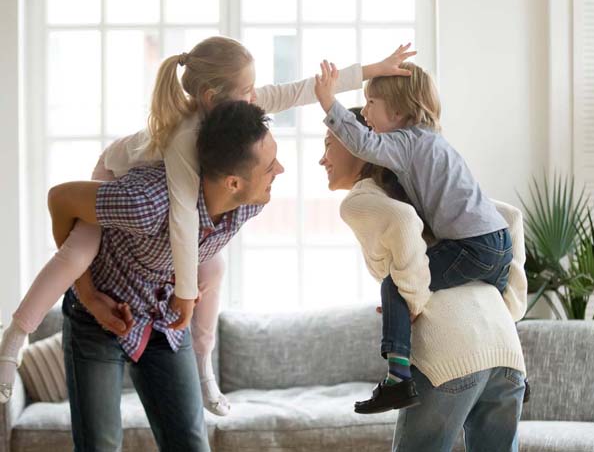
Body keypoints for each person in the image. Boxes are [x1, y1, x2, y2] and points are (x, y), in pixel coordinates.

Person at [0, 36, 415, 415]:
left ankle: (203, 368)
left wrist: (370, 70)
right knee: (79, 253)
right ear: (212, 96)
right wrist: (184, 294)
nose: (256, 96)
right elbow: (182, 217)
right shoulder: (185, 139)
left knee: (214, 267)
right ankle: (15, 339)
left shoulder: (234, 110)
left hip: (163, 207)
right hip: (112, 172)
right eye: (247, 89)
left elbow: (299, 89)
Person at [49, 100, 276, 451]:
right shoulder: (145, 203)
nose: (281, 170)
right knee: (100, 445)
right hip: (98, 317)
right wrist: (91, 297)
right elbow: (60, 200)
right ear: (233, 182)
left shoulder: (251, 203)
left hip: (164, 321)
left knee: (189, 443)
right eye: (270, 167)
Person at [319, 107, 528, 450]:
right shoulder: (422, 192)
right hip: (504, 349)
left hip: (448, 356)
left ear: (361, 145)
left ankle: (395, 378)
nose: (321, 158)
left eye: (330, 142)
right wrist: (511, 305)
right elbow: (509, 216)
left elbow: (402, 223)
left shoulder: (362, 200)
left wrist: (412, 297)